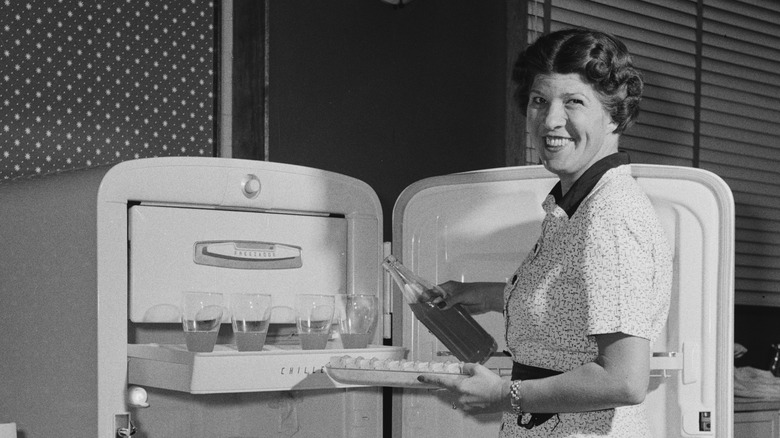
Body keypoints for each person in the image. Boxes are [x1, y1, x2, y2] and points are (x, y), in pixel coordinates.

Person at [417, 28, 673, 437]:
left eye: (574, 102)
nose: (550, 120)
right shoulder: (579, 204)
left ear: (614, 115)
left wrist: (504, 394)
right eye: (539, 101)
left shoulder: (610, 216)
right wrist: (478, 294)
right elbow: (569, 304)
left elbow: (624, 380)